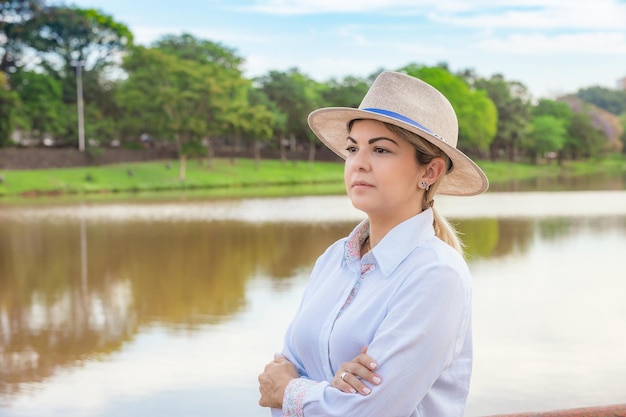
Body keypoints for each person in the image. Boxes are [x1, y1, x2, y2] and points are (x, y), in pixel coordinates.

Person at [258, 71, 489, 417]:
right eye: (353, 148)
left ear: (429, 172)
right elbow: (280, 370)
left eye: (380, 149)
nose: (358, 163)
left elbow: (367, 411)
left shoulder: (436, 274)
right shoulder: (334, 258)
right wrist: (324, 391)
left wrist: (295, 392)